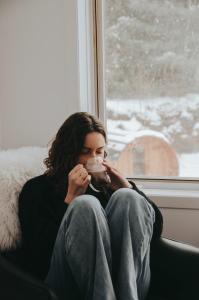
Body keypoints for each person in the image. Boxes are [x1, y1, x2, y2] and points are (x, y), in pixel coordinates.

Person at [18, 112, 163, 300]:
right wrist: (71, 200)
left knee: (128, 197)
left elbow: (155, 230)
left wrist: (127, 186)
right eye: (85, 152)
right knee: (85, 205)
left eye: (99, 151)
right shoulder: (36, 189)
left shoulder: (107, 187)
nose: (93, 159)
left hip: (125, 288)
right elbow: (38, 257)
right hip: (64, 284)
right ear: (68, 153)